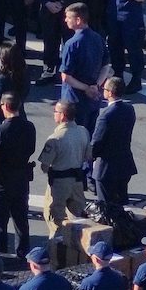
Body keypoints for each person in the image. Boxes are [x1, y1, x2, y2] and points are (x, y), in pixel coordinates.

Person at [0, 91, 36, 256]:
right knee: (21, 222)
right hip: (21, 180)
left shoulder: (0, 131)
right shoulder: (29, 127)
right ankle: (23, 256)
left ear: (5, 106)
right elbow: (31, 149)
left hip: (1, 183)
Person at [37, 99, 89, 236]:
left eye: (56, 111)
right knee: (78, 219)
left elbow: (44, 165)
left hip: (59, 183)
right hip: (77, 181)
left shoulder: (55, 138)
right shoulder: (83, 131)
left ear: (63, 115)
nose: (54, 114)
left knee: (55, 218)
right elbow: (88, 156)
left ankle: (57, 248)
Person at [88, 78, 136, 218]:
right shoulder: (129, 109)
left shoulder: (106, 115)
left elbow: (97, 141)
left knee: (106, 208)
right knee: (121, 204)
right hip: (124, 163)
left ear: (109, 93)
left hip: (106, 168)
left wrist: (92, 155)